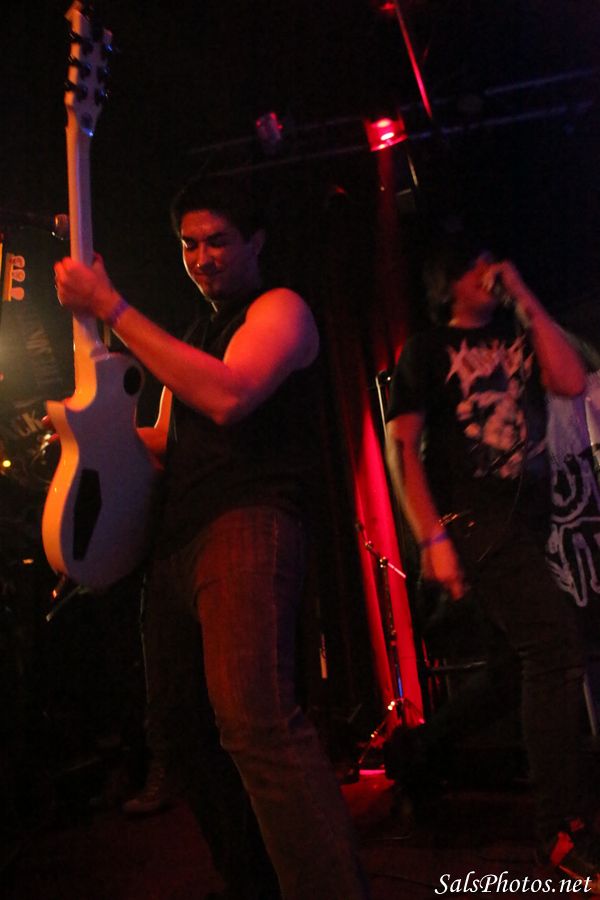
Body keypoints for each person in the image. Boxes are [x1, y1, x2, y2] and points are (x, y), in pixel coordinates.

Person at [53, 176, 369, 900]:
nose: (201, 257)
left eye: (217, 241)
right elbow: (165, 442)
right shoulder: (192, 337)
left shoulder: (281, 308)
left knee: (257, 724)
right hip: (176, 540)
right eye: (188, 244)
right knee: (183, 734)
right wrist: (82, 432)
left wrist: (111, 307)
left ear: (256, 241)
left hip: (247, 521)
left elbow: (229, 395)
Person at [384, 238, 600, 889]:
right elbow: (402, 447)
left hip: (531, 521)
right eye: (477, 265)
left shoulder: (520, 333)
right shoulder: (426, 349)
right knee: (554, 650)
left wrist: (525, 297)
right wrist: (430, 539)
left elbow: (571, 381)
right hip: (475, 525)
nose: (490, 273)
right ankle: (560, 833)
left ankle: (418, 755)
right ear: (448, 277)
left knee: (514, 670)